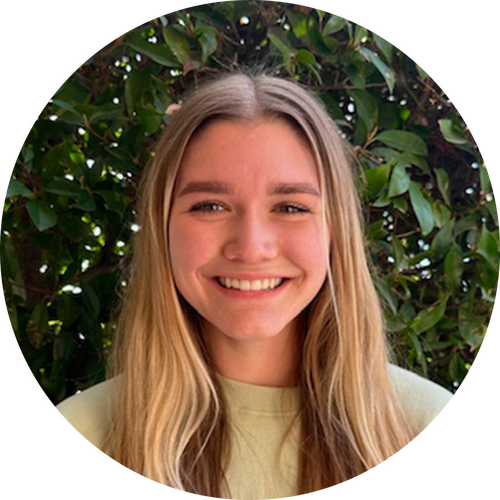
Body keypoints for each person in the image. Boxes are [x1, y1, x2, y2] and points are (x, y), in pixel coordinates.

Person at [54, 72, 455, 499]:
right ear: (162, 226)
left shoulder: (423, 422)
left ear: (336, 229)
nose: (250, 248)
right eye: (210, 205)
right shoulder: (86, 431)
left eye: (290, 207)